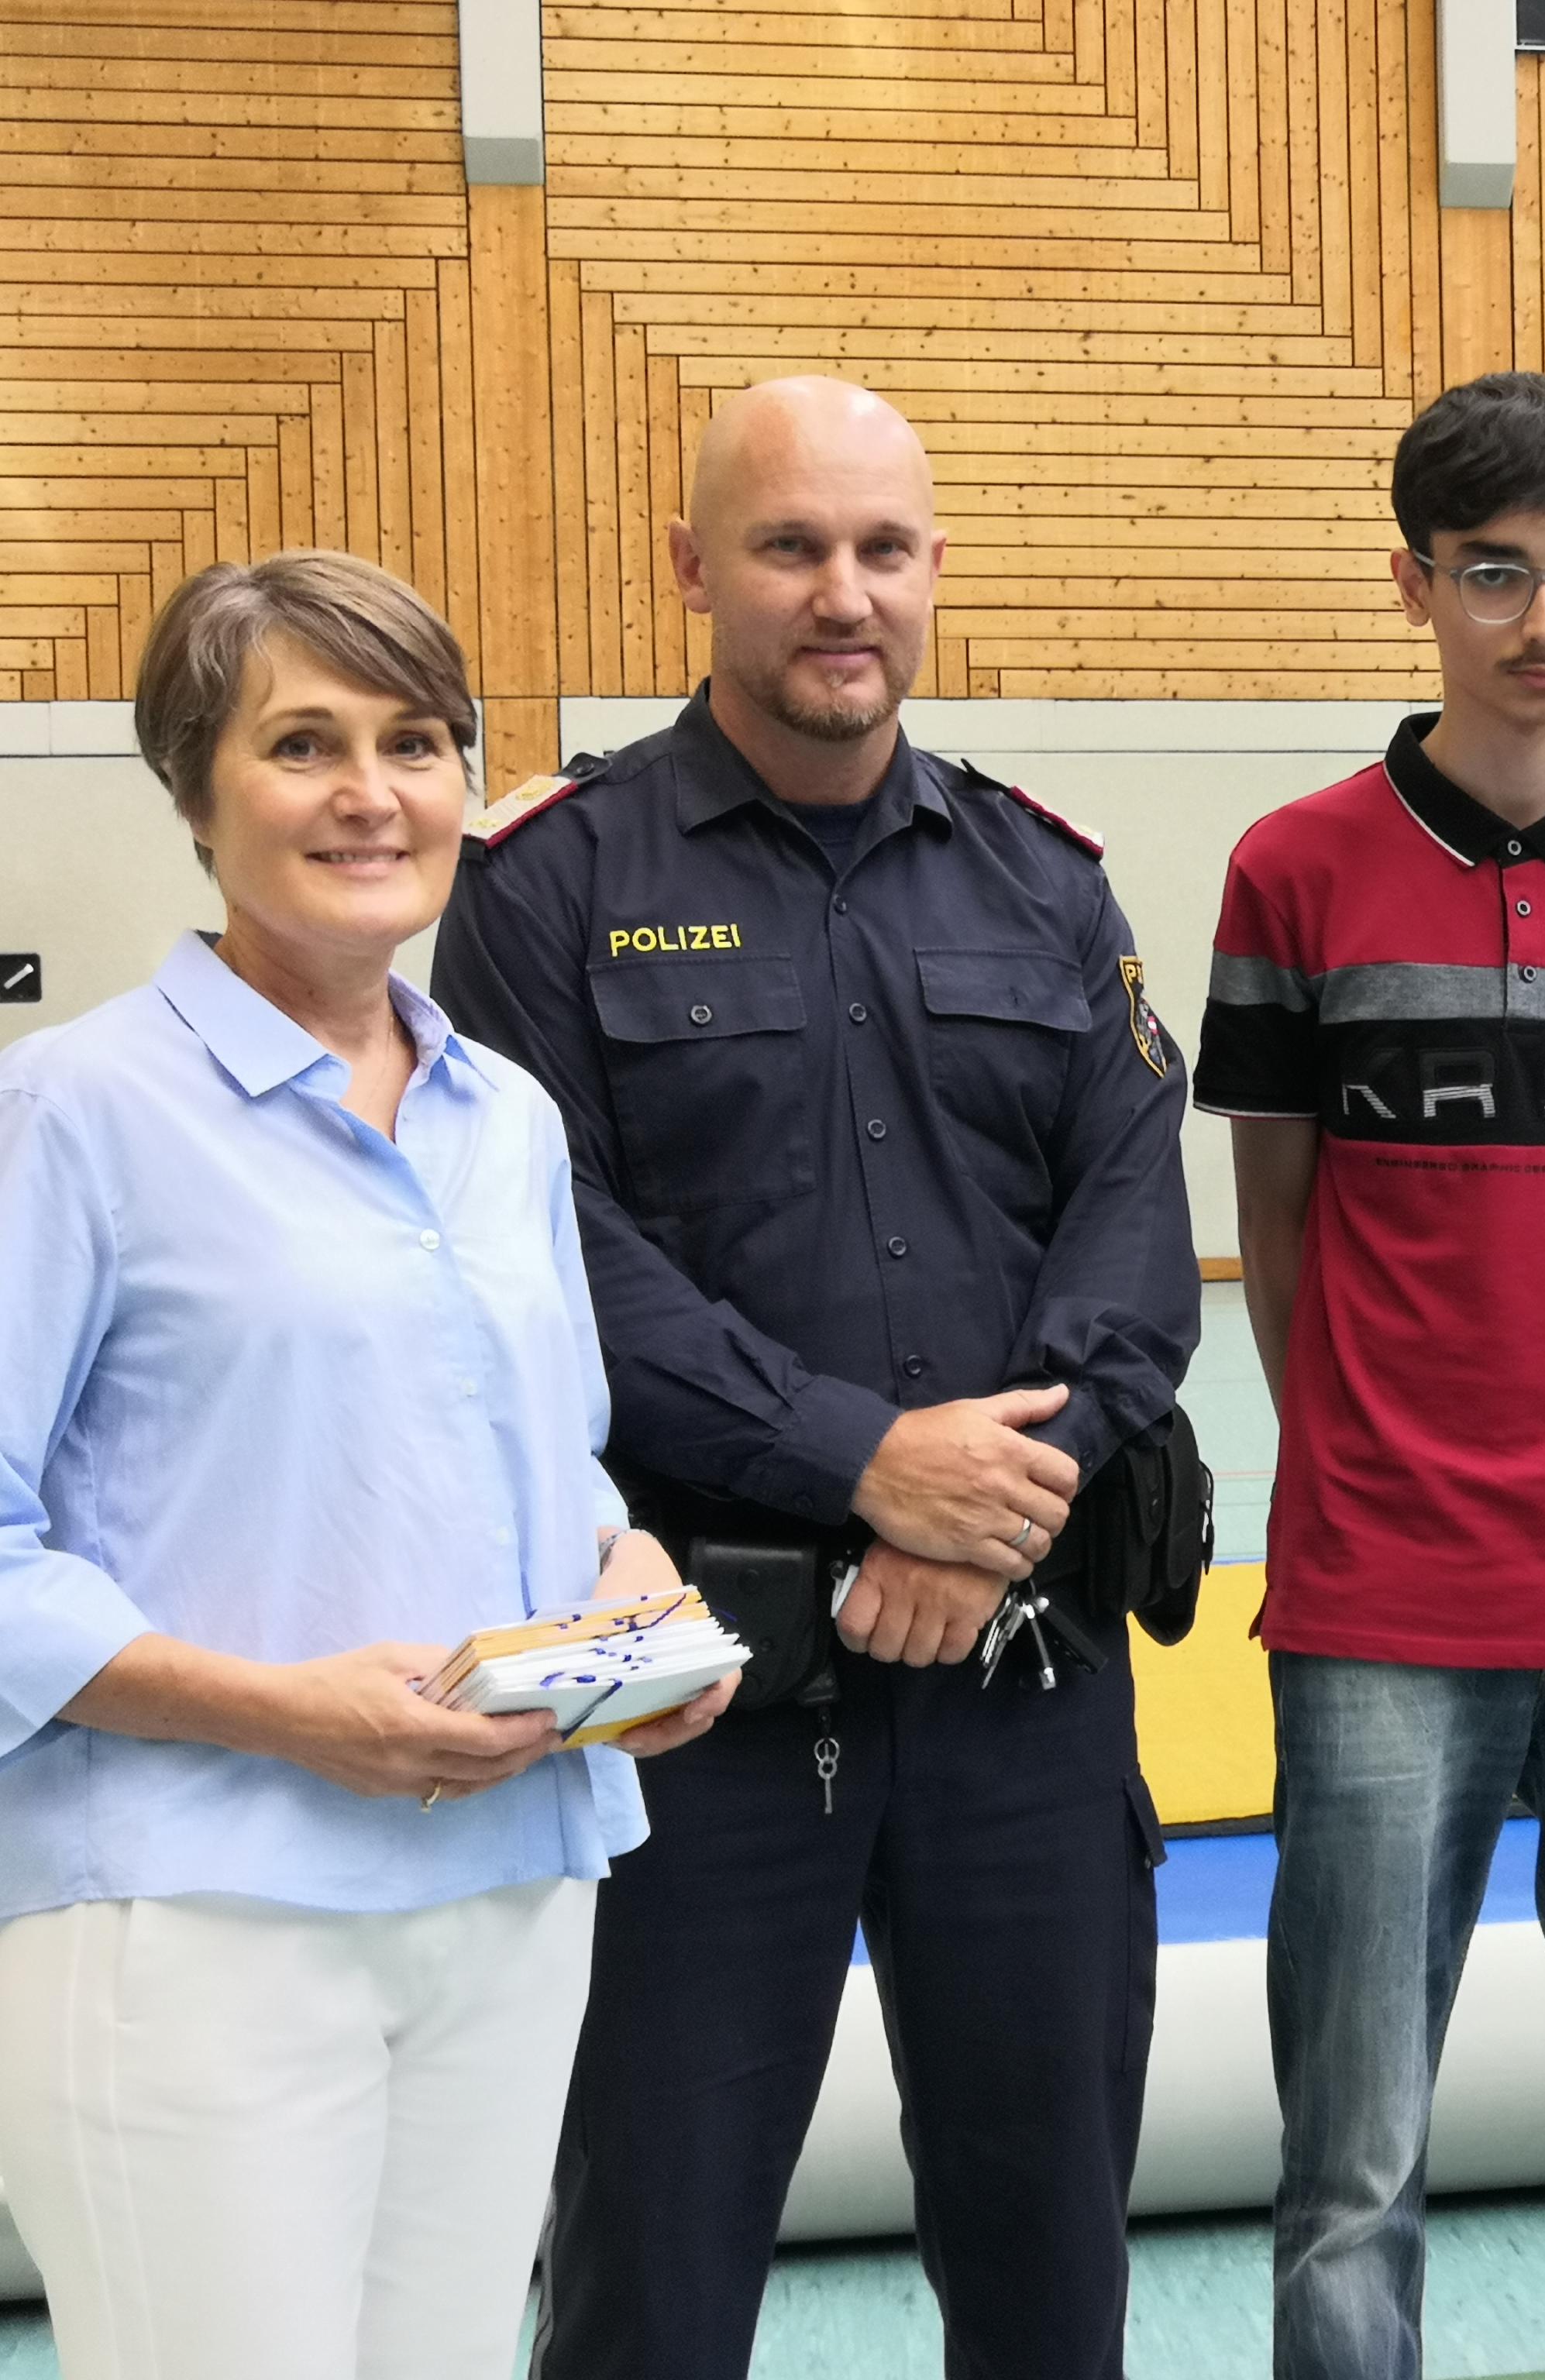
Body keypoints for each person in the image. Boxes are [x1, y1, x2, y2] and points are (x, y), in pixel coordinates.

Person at [432, 377, 1199, 2380]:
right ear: (695, 569)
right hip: (689, 1704)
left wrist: (981, 1510)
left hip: (1022, 1686)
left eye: (881, 549)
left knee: (1052, 2282)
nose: (841, 594)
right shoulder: (547, 885)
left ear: (935, 571)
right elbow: (550, 1255)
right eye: (789, 547)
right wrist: (865, 1461)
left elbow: (1131, 1241)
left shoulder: (1045, 880)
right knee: (648, 2283)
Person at [0, 552, 730, 2380]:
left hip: (507, 1894)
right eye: (302, 744)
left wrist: (626, 1583)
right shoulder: (72, 1113)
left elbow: (548, 1456)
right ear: (194, 791)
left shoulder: (508, 1118)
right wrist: (285, 1713)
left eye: (415, 743)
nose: (370, 795)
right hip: (198, 1916)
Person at [1192, 371, 1545, 2380]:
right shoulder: (1289, 872)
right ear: (1416, 584)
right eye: (1495, 573)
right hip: (1379, 1602)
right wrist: (1371, 1459)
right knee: (1352, 2174)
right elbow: (1278, 1225)